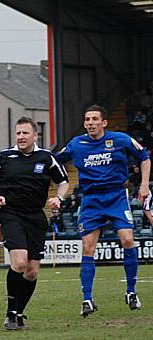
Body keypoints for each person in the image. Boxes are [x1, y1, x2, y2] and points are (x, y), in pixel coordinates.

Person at [56, 104, 150, 317]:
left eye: (94, 119)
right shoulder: (77, 144)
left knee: (127, 240)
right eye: (87, 119)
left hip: (116, 196)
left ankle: (131, 292)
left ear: (104, 123)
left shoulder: (120, 139)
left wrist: (144, 185)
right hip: (90, 200)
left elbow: (144, 157)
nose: (90, 123)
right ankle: (87, 299)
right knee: (88, 247)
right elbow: (55, 160)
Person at [0, 116, 69, 330]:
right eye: (18, 133)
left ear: (35, 136)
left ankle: (19, 312)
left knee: (31, 271)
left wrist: (59, 198)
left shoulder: (47, 157)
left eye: (25, 133)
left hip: (36, 216)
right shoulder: (4, 156)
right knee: (19, 262)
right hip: (10, 213)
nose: (21, 137)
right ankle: (11, 312)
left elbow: (64, 182)